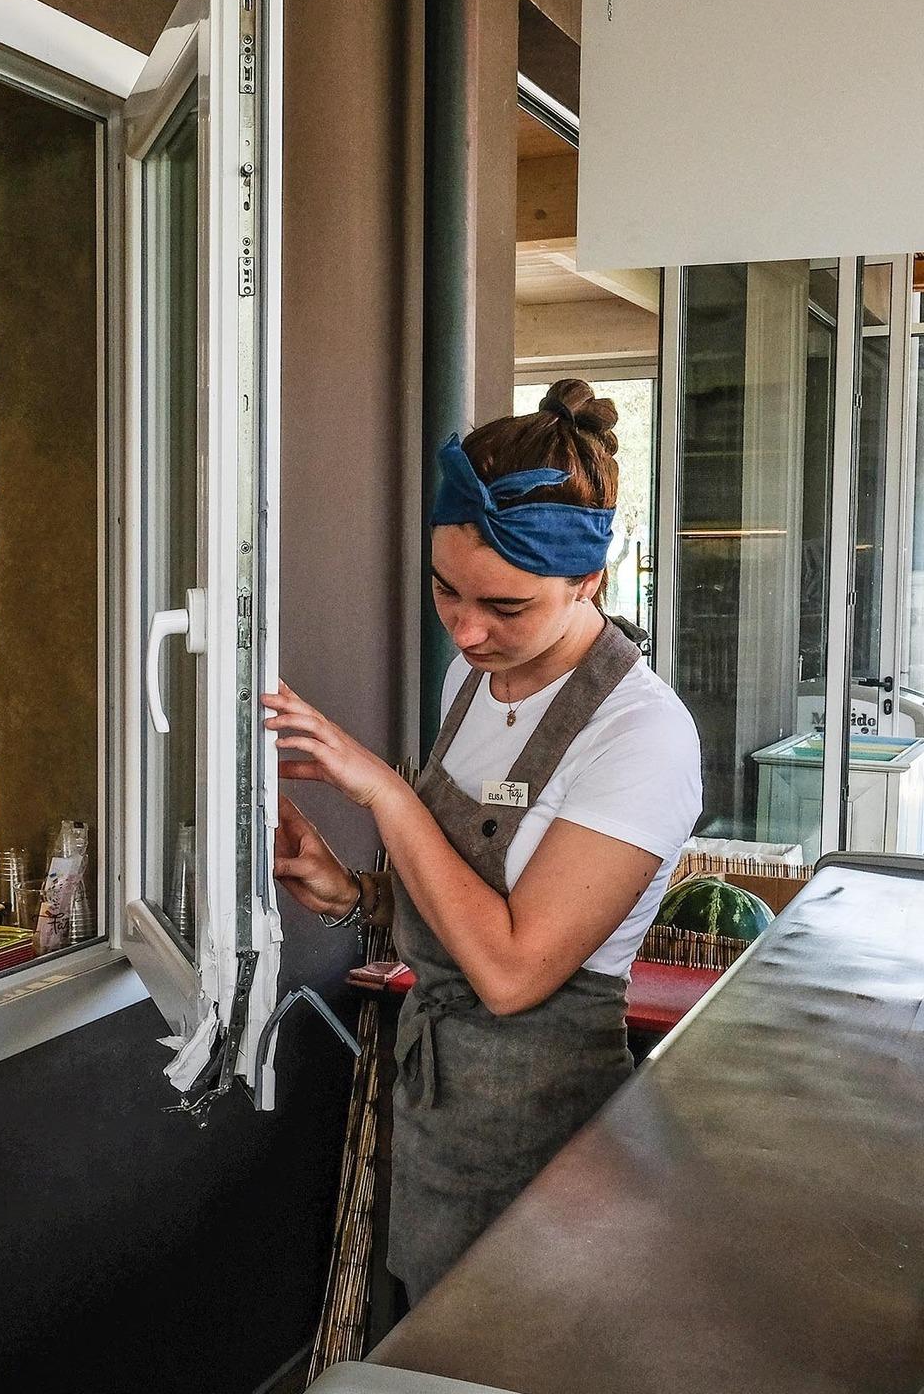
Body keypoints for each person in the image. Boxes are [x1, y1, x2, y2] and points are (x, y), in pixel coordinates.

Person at [263, 378, 702, 1303]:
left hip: (545, 1139)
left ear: (592, 580)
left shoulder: (640, 736)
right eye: (445, 588)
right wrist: (353, 894)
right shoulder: (479, 682)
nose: (466, 630)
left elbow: (511, 970)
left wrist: (382, 789)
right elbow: (462, 893)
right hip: (436, 1107)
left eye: (506, 606)